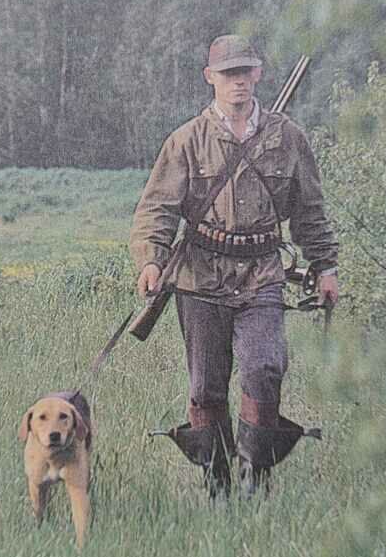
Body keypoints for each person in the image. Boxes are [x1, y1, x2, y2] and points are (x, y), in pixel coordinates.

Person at [129, 33, 339, 500]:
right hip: (200, 278)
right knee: (206, 387)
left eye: (245, 72)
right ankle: (217, 483)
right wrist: (151, 260)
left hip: (262, 275)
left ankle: (255, 477)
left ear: (257, 74)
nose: (238, 81)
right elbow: (157, 209)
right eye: (228, 74)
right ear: (211, 78)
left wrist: (326, 266)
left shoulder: (288, 137)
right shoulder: (187, 140)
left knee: (264, 368)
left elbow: (310, 210)